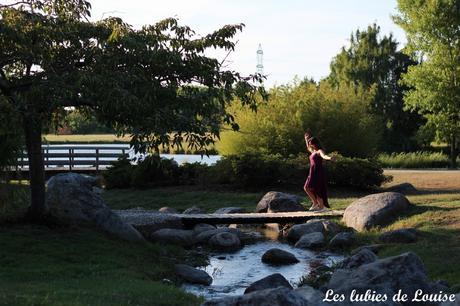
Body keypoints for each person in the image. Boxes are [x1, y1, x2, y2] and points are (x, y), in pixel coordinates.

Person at [303, 133, 336, 211]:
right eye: (310, 144)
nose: (310, 145)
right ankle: (315, 203)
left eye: (311, 144)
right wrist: (306, 140)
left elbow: (324, 156)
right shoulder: (313, 151)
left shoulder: (319, 151)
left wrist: (330, 158)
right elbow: (308, 147)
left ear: (315, 144)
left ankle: (322, 207)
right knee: (306, 187)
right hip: (312, 171)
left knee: (316, 188)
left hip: (318, 171)